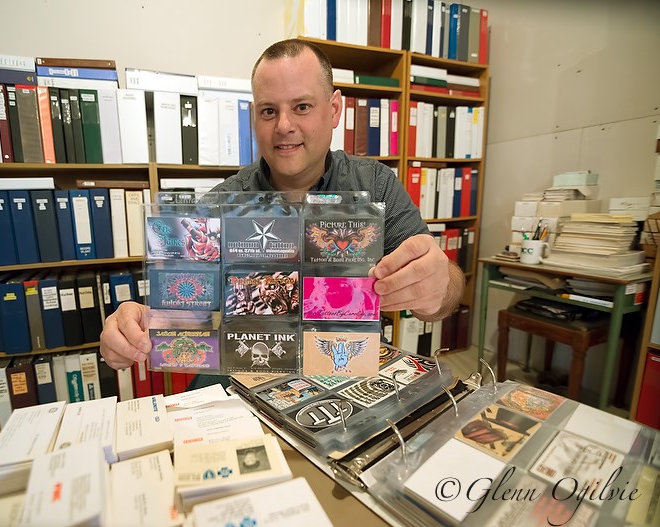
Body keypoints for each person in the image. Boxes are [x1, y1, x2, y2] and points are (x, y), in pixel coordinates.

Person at [100, 38, 465, 375]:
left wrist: (436, 286)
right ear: (254, 118)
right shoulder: (221, 204)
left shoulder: (375, 185)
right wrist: (137, 325)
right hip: (251, 380)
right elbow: (187, 309)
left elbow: (446, 293)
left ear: (334, 109)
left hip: (347, 375)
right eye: (269, 111)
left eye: (302, 107)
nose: (284, 126)